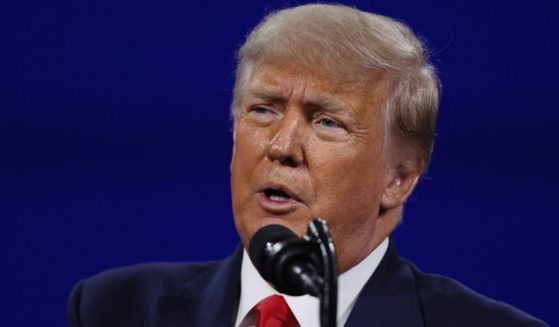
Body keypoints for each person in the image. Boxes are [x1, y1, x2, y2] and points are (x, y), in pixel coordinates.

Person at [67, 4, 548, 326]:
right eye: (263, 109)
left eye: (326, 121)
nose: (281, 145)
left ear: (398, 179)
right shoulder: (115, 308)